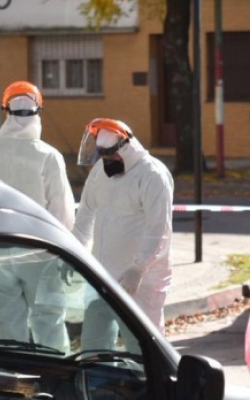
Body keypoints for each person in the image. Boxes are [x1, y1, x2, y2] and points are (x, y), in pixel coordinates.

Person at [0, 80, 75, 352]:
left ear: (6, 111)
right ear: (38, 111)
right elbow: (61, 211)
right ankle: (55, 377)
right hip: (39, 251)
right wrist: (67, 252)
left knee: (8, 323)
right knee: (48, 322)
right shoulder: (48, 156)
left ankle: (14, 382)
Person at [73, 118, 174, 349]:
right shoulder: (100, 172)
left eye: (111, 156)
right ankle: (98, 383)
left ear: (126, 149)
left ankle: (147, 385)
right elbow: (86, 213)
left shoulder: (152, 175)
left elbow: (158, 228)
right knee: (93, 345)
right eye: (103, 156)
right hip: (102, 274)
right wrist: (74, 250)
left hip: (141, 281)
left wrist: (139, 268)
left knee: (143, 348)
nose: (107, 162)